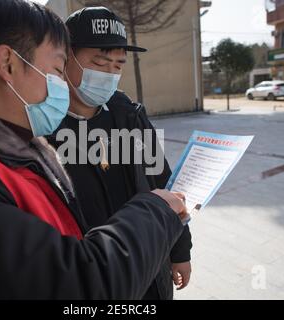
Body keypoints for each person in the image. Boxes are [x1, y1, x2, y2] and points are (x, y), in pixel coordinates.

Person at [0, 0, 187, 300]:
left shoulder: (18, 151)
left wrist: (175, 245)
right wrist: (156, 210)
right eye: (57, 70)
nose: (62, 87)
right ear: (8, 64)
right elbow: (78, 285)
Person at [47, 7, 193, 300]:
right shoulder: (45, 126)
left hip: (149, 266)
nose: (109, 73)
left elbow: (163, 182)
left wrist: (180, 251)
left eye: (117, 65)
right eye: (100, 62)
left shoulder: (129, 116)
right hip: (91, 281)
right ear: (65, 59)